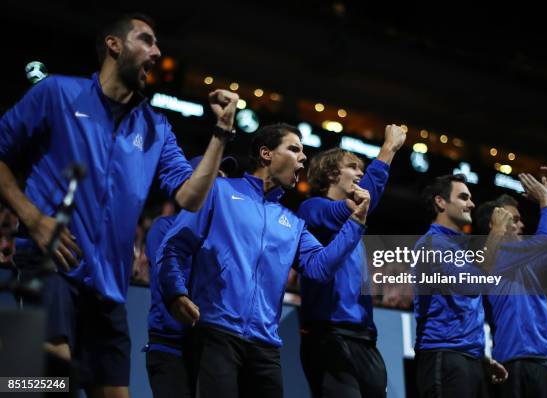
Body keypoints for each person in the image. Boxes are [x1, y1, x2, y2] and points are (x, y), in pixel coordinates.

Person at [0, 13, 238, 397]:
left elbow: (190, 196)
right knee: (45, 384)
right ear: (114, 45)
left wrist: (222, 132)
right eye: (146, 40)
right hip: (50, 266)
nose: (158, 52)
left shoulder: (156, 128)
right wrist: (32, 217)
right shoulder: (57, 93)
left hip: (109, 289)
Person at [158, 123, 372, 398]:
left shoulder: (292, 222)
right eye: (294, 149)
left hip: (266, 347)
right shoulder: (219, 192)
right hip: (216, 335)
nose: (303, 157)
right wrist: (175, 294)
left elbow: (320, 268)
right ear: (266, 153)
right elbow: (173, 246)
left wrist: (355, 223)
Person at [296, 124, 406, 398]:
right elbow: (350, 207)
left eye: (362, 169)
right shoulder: (312, 208)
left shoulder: (356, 219)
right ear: (332, 173)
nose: (360, 174)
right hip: (328, 336)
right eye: (353, 167)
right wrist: (388, 150)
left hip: (366, 339)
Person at [145, 156, 237, 398]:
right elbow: (168, 279)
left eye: (226, 179)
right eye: (215, 177)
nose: (222, 184)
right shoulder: (165, 227)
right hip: (170, 346)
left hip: (211, 349)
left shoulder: (225, 238)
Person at [475, 168, 547, 398]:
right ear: (494, 223)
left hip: (542, 361)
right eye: (514, 220)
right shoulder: (498, 256)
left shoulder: (526, 260)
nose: (522, 225)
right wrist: (544, 199)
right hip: (514, 363)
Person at [413, 174, 508, 398]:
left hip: (468, 358)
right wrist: (497, 233)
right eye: (464, 197)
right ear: (441, 202)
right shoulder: (432, 244)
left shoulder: (455, 248)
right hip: (444, 357)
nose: (471, 204)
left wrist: (481, 356)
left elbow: (463, 304)